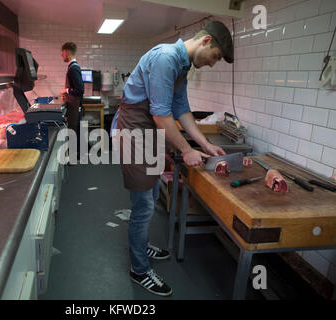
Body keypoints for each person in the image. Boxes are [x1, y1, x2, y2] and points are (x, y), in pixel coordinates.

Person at [112, 20, 233, 297]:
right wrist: (186, 150)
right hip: (134, 131)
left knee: (152, 194)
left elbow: (181, 108)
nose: (213, 64)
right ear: (205, 41)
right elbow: (160, 114)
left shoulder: (182, 65)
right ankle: (139, 268)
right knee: (142, 204)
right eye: (215, 57)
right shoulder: (166, 58)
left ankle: (140, 244)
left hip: (149, 130)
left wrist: (205, 143)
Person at [60, 42, 84, 162]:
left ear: (68, 52)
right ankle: (76, 157)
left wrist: (66, 90)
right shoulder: (72, 67)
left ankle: (75, 158)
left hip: (74, 106)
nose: (62, 55)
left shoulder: (73, 68)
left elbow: (80, 89)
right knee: (74, 131)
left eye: (63, 53)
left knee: (73, 132)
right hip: (73, 105)